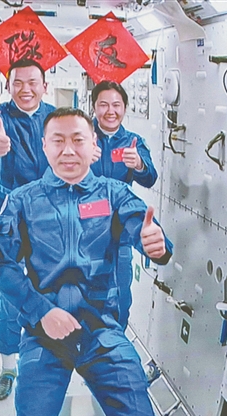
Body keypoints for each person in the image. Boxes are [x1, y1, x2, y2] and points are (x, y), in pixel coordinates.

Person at [0, 108, 173, 416]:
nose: (68, 150)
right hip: (44, 332)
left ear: (94, 147)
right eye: (58, 141)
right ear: (44, 146)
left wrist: (155, 244)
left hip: (100, 330)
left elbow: (141, 227)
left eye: (78, 140)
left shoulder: (114, 194)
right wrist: (40, 311)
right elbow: (2, 265)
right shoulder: (22, 201)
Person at [0, 58, 55, 401]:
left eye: (32, 82)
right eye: (18, 83)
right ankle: (8, 367)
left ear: (44, 86)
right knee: (9, 291)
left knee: (50, 286)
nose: (25, 89)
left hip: (51, 212)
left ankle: (43, 362)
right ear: (8, 86)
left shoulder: (57, 118)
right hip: (10, 212)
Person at [89, 80, 158, 329]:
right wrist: (80, 159)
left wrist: (139, 164)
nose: (111, 111)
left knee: (120, 296)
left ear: (125, 108)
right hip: (83, 228)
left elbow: (150, 178)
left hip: (118, 231)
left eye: (116, 105)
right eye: (104, 104)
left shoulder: (132, 142)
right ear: (94, 107)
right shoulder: (81, 138)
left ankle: (115, 341)